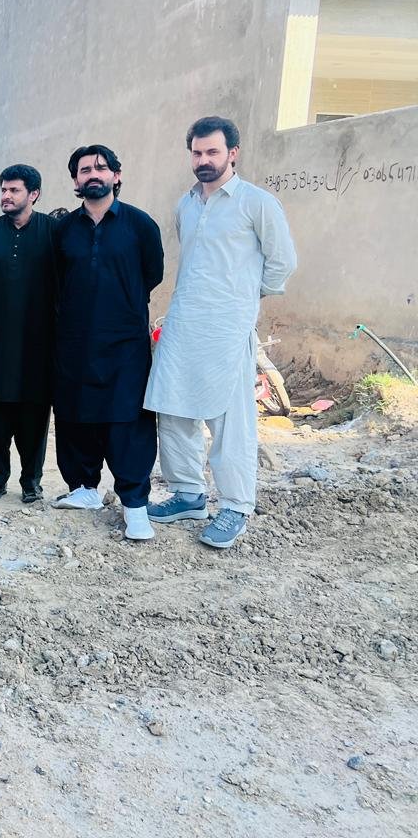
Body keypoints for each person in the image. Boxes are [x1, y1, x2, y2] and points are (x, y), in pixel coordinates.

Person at [144, 116, 297, 549]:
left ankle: (235, 505)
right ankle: (188, 494)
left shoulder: (257, 203)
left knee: (231, 422)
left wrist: (244, 299)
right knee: (173, 409)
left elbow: (282, 263)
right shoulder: (186, 205)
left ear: (233, 153)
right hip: (182, 323)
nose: (203, 160)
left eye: (212, 152)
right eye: (197, 153)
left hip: (228, 329)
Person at [51, 144, 163, 540]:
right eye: (84, 170)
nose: (93, 174)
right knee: (75, 412)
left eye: (101, 167)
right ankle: (84, 488)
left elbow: (152, 273)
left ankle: (134, 503)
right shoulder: (64, 230)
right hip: (75, 339)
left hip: (124, 341)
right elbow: (56, 281)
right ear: (75, 180)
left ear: (116, 175)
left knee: (126, 418)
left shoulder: (140, 225)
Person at [0, 164, 56, 504]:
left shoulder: (52, 231)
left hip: (38, 340)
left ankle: (31, 481)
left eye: (14, 190)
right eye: (3, 190)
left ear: (33, 194)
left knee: (34, 413)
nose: (5, 196)